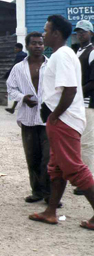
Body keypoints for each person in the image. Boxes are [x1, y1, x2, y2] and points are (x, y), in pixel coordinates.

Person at [28, 15, 94, 231]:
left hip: (65, 121)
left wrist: (55, 116)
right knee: (56, 168)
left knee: (74, 169)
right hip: (62, 119)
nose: (43, 34)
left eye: (46, 31)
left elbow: (71, 89)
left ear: (56, 33)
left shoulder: (62, 55)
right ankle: (51, 212)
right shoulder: (62, 54)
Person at [6, 32, 51, 203]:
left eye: (40, 43)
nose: (38, 46)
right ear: (27, 46)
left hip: (48, 119)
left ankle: (50, 194)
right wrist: (23, 97)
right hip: (27, 118)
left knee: (49, 158)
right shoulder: (19, 68)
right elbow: (11, 88)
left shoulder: (51, 65)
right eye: (34, 43)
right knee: (32, 157)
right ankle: (37, 192)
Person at [74, 20, 94, 196]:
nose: (81, 34)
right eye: (78, 32)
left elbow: (93, 81)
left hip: (89, 103)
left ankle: (88, 182)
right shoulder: (78, 51)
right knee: (79, 142)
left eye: (84, 32)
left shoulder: (92, 52)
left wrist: (78, 93)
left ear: (91, 33)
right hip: (79, 102)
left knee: (87, 142)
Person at [5, 43, 28, 114]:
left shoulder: (19, 55)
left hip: (20, 76)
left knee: (19, 91)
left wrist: (7, 73)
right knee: (21, 91)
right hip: (25, 75)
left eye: (16, 48)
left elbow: (15, 66)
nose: (15, 50)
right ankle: (13, 108)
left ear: (19, 48)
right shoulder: (25, 55)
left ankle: (13, 108)